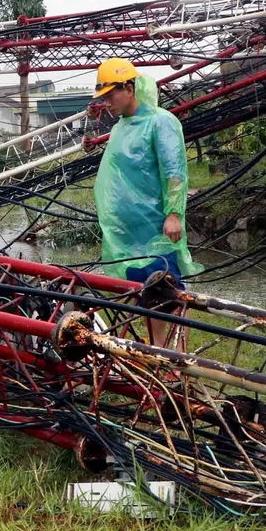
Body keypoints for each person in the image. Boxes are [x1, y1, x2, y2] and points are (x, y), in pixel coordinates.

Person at [90, 58, 202, 350]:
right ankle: (157, 355)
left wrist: (174, 214)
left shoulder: (160, 121)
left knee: (169, 295)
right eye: (103, 98)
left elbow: (174, 171)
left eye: (110, 94)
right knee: (144, 299)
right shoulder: (121, 128)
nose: (107, 103)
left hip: (157, 230)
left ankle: (179, 362)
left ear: (129, 87)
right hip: (129, 237)